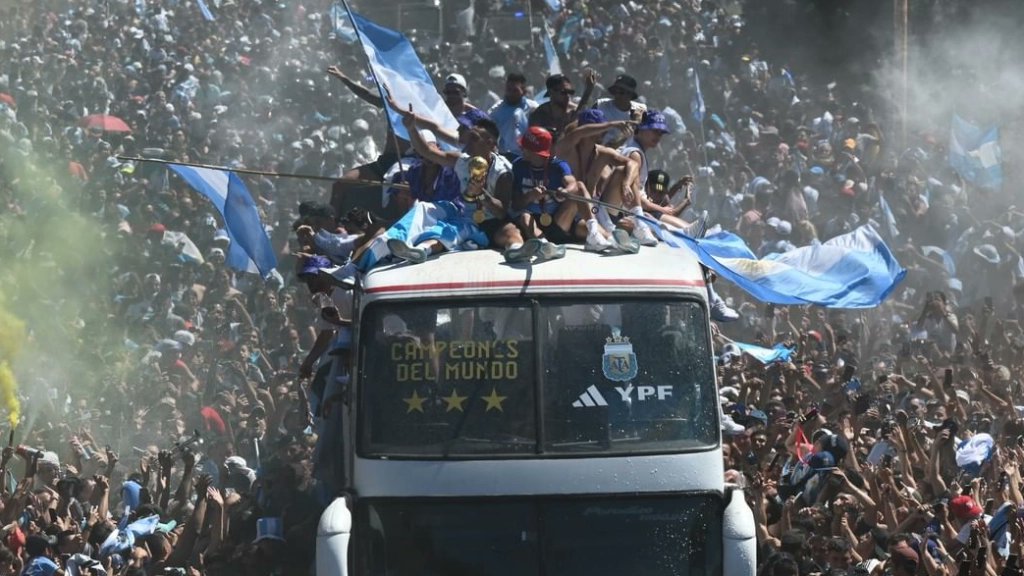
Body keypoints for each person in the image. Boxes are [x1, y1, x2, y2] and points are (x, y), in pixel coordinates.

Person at [487, 72, 537, 158]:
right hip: (503, 156)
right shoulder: (496, 110)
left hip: (527, 156)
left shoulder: (533, 108)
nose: (511, 93)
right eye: (508, 90)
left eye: (515, 91)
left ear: (523, 91)